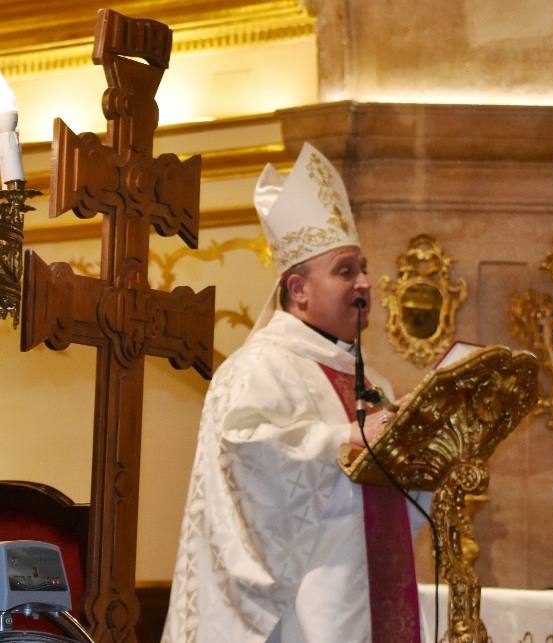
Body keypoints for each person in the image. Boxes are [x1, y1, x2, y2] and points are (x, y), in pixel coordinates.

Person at [162, 142, 429, 642]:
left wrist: (425, 440)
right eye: (346, 270)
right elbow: (248, 459)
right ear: (298, 290)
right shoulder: (259, 368)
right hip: (297, 612)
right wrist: (348, 437)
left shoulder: (374, 383)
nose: (366, 284)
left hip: (365, 592)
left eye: (365, 269)